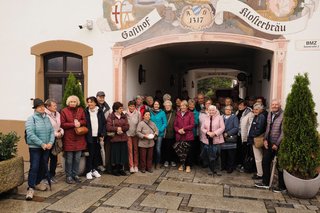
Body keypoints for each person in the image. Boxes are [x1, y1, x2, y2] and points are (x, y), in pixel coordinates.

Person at [25, 98, 55, 200]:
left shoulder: (46, 118)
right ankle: (30, 187)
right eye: (40, 107)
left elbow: (52, 131)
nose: (42, 108)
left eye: (43, 106)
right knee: (34, 167)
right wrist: (41, 143)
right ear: (36, 108)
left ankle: (37, 183)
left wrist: (50, 142)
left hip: (46, 147)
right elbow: (30, 134)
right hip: (35, 148)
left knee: (43, 166)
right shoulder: (31, 119)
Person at [255, 100, 286, 193]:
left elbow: (283, 131)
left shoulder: (283, 115)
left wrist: (277, 144)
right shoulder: (270, 114)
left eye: (276, 104)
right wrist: (265, 139)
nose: (274, 106)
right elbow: (268, 128)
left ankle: (282, 187)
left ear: (280, 105)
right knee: (265, 161)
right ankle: (265, 182)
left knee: (280, 165)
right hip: (269, 142)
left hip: (278, 144)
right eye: (273, 104)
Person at [61, 95, 87, 184]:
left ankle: (75, 175)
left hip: (79, 138)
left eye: (74, 102)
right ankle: (68, 176)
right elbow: (63, 124)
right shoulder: (64, 111)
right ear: (68, 102)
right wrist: (73, 124)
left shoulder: (81, 110)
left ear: (77, 102)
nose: (72, 103)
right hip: (69, 138)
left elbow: (85, 121)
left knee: (77, 159)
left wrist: (80, 123)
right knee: (69, 159)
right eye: (71, 102)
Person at [84, 96, 106, 180]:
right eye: (88, 102)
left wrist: (102, 134)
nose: (89, 104)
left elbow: (104, 124)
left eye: (91, 102)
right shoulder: (86, 111)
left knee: (96, 154)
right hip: (89, 136)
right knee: (90, 154)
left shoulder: (99, 111)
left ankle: (95, 169)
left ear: (95, 103)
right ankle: (88, 171)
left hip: (97, 136)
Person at [200, 105, 225, 175]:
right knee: (209, 155)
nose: (211, 111)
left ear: (215, 110)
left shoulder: (220, 117)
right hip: (208, 139)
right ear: (208, 111)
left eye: (213, 110)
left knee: (217, 155)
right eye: (210, 110)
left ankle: (218, 170)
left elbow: (222, 127)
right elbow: (202, 128)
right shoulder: (206, 118)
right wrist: (207, 132)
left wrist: (214, 133)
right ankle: (211, 169)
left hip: (217, 139)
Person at [107, 102, 129, 176]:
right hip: (115, 139)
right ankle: (114, 169)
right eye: (120, 108)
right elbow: (108, 127)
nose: (122, 109)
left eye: (122, 108)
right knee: (115, 155)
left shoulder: (124, 116)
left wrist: (121, 129)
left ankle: (120, 169)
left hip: (123, 138)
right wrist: (117, 129)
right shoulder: (111, 116)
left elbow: (127, 126)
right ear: (115, 109)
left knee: (122, 154)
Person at [44, 99, 64, 183]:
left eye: (56, 105)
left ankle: (52, 175)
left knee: (54, 158)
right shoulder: (44, 115)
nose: (56, 106)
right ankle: (45, 176)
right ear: (48, 107)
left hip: (56, 139)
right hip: (47, 139)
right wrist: (55, 134)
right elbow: (46, 128)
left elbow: (60, 126)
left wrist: (61, 132)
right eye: (54, 105)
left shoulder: (58, 114)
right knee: (45, 158)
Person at [174, 100, 195, 173]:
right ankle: (182, 164)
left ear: (187, 107)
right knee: (180, 151)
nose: (182, 107)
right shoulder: (177, 113)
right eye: (181, 106)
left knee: (188, 151)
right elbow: (175, 125)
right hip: (179, 135)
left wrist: (183, 129)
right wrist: (178, 130)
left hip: (188, 135)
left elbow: (192, 125)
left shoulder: (190, 114)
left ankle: (188, 165)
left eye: (184, 105)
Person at [248, 103, 266, 179]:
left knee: (258, 158)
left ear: (261, 110)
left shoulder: (261, 117)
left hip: (257, 139)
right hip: (254, 139)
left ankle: (260, 174)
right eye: (254, 109)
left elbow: (259, 130)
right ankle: (260, 172)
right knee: (258, 157)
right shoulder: (257, 116)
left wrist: (252, 136)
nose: (255, 111)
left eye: (257, 109)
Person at [236, 100, 254, 171]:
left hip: (245, 135)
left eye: (242, 105)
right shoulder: (237, 112)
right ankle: (239, 163)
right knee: (239, 150)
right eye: (239, 105)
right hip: (238, 134)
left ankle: (244, 165)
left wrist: (249, 135)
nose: (240, 106)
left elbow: (250, 125)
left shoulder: (250, 113)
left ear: (245, 106)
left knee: (245, 151)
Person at [221, 105, 239, 173]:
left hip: (230, 139)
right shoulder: (221, 117)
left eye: (229, 109)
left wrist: (228, 133)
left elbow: (236, 128)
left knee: (231, 154)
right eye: (226, 109)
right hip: (222, 138)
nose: (228, 110)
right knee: (223, 153)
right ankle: (224, 166)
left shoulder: (234, 117)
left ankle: (230, 168)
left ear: (231, 110)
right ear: (224, 110)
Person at [96, 91, 111, 173]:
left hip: (104, 131)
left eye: (103, 97)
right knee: (97, 150)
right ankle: (97, 165)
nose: (102, 99)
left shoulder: (107, 107)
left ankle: (103, 165)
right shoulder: (94, 106)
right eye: (100, 97)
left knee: (104, 149)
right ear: (97, 97)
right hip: (96, 131)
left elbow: (108, 120)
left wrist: (104, 132)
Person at [150, 100, 167, 169]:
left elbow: (165, 123)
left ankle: (158, 163)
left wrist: (159, 130)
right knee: (151, 148)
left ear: (159, 105)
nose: (156, 105)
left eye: (157, 104)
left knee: (157, 149)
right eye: (155, 104)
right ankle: (151, 163)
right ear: (153, 105)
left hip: (159, 134)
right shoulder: (150, 112)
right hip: (151, 133)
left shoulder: (162, 113)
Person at [126, 100, 140, 173]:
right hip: (128, 134)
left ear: (135, 107)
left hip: (135, 134)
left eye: (133, 106)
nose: (132, 107)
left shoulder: (138, 113)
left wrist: (138, 132)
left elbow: (140, 124)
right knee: (130, 150)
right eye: (130, 106)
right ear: (128, 106)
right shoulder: (125, 113)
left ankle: (136, 165)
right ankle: (131, 166)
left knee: (135, 150)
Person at [162, 100, 177, 167]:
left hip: (173, 133)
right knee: (166, 148)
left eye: (169, 105)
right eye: (166, 105)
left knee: (173, 148)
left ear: (171, 106)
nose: (167, 106)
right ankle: (166, 160)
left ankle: (172, 160)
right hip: (164, 133)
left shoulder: (175, 113)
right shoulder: (162, 113)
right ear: (164, 106)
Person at [188, 99, 200, 165]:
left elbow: (197, 122)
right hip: (186, 133)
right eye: (190, 104)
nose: (191, 106)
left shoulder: (197, 113)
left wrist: (190, 122)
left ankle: (193, 162)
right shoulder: (186, 112)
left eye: (193, 105)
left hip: (194, 133)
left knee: (193, 148)